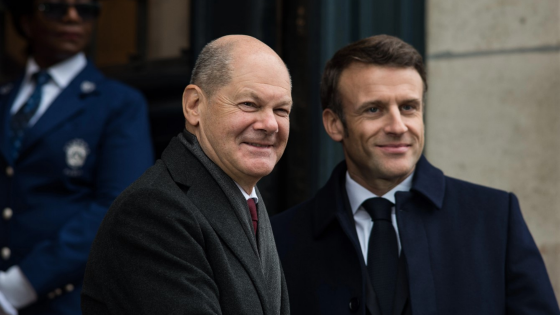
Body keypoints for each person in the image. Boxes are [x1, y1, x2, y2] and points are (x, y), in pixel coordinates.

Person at [271, 35, 560, 315]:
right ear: (334, 124)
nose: (398, 126)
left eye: (408, 107)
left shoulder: (496, 218)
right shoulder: (281, 238)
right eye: (374, 109)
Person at [81, 34, 292, 315]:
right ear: (194, 105)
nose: (270, 124)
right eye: (249, 104)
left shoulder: (245, 197)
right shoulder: (152, 211)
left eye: (281, 110)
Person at [0, 0, 154, 314]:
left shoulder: (118, 104)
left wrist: (19, 285)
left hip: (67, 300)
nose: (72, 17)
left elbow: (118, 206)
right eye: (55, 7)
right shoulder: (4, 99)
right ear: (26, 21)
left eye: (85, 9)